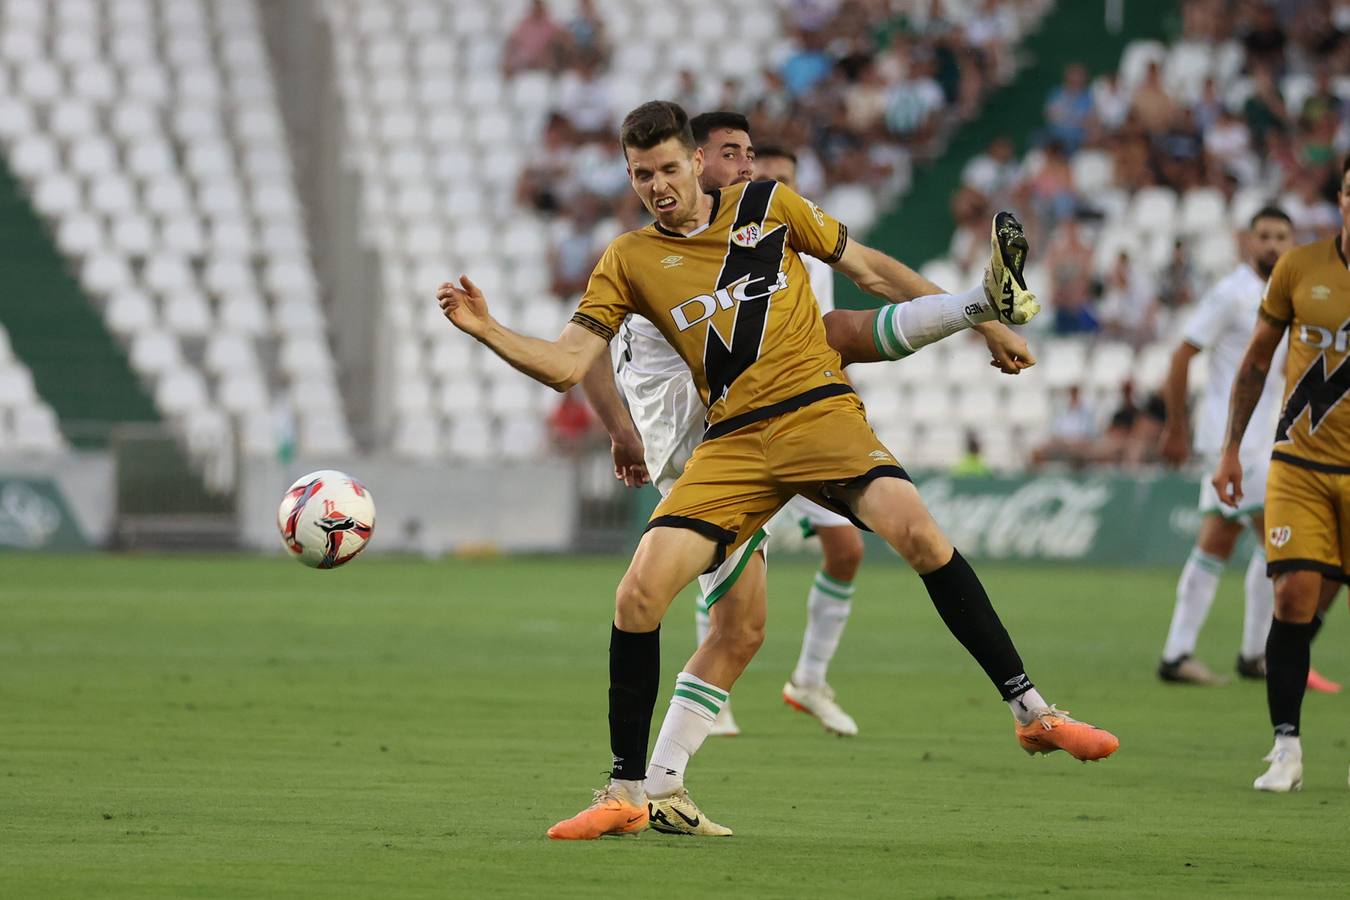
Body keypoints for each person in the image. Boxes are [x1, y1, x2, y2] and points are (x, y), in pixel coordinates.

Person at [438, 102, 1118, 842]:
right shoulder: (628, 260)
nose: (657, 186)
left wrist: (985, 323)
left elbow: (870, 272)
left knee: (917, 534)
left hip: (815, 411)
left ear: (696, 162)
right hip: (728, 441)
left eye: (668, 168)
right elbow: (570, 363)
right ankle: (630, 790)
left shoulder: (768, 204)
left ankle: (1034, 713)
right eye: (641, 175)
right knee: (639, 594)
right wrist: (489, 329)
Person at [1212, 155, 1350, 793]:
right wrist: (1231, 449)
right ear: (1341, 198)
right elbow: (1254, 363)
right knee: (1292, 593)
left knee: (1317, 600)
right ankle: (1286, 750)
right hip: (1299, 463)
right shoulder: (1301, 267)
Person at [1158, 208, 1295, 685]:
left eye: (1281, 236)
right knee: (1276, 539)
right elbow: (1182, 353)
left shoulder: (1283, 295)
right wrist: (1174, 426)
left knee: (1222, 540)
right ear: (1247, 241)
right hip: (1232, 442)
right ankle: (1253, 654)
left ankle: (1185, 654)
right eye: (1264, 236)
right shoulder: (1231, 294)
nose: (1272, 244)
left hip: (1264, 437)